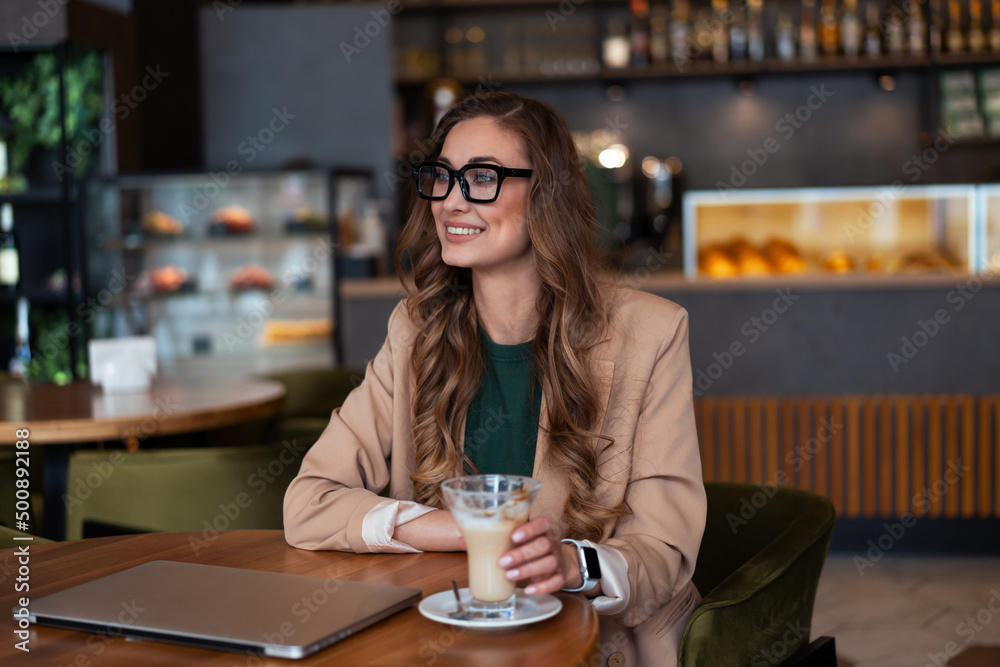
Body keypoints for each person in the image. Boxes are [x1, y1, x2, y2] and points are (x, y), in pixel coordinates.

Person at [283, 91, 706, 666]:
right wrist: (450, 527)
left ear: (546, 195)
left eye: (483, 178)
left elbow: (665, 554)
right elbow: (309, 503)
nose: (452, 202)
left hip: (593, 649)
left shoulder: (652, 333)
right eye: (442, 176)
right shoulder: (414, 330)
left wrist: (571, 564)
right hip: (445, 645)